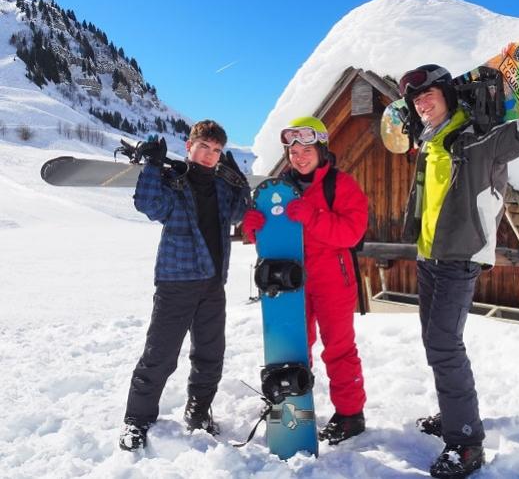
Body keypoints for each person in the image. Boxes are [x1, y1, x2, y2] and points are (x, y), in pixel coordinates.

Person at [398, 63, 519, 477]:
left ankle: (466, 442)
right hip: (429, 256)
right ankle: (453, 416)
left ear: (447, 93)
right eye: (416, 98)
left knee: (446, 346)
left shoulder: (479, 139)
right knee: (435, 343)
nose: (422, 102)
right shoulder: (431, 142)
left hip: (459, 258)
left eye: (429, 93)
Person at [118, 120, 250, 451]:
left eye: (216, 151)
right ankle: (137, 421)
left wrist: (238, 179)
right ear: (189, 145)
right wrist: (151, 164)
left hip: (212, 284)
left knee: (210, 355)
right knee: (159, 356)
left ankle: (198, 412)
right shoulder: (173, 180)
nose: (209, 156)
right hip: (176, 281)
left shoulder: (222, 187)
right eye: (204, 147)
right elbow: (149, 204)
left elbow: (239, 212)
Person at [242, 116, 368, 445]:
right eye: (293, 151)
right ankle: (295, 413)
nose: (299, 156)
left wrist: (313, 216)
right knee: (294, 348)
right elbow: (273, 239)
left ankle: (350, 414)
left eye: (306, 149)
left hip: (332, 278)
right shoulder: (279, 189)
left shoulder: (340, 185)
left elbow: (352, 232)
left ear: (321, 148)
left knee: (338, 349)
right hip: (291, 279)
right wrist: (255, 228)